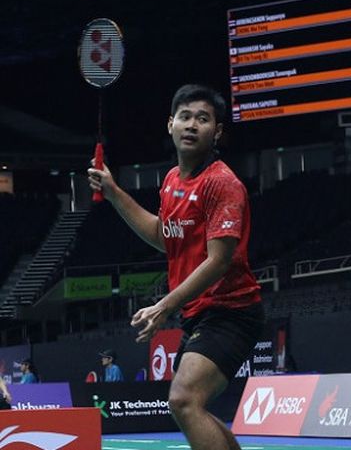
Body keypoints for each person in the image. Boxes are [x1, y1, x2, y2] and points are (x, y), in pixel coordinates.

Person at [88, 84, 264, 450]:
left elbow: (219, 261)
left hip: (231, 310)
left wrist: (164, 305)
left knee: (183, 400)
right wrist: (114, 192)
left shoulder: (222, 184)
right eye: (185, 116)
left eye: (203, 119)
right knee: (189, 404)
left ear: (216, 132)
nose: (192, 125)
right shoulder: (171, 181)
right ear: (170, 124)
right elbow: (163, 236)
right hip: (199, 313)